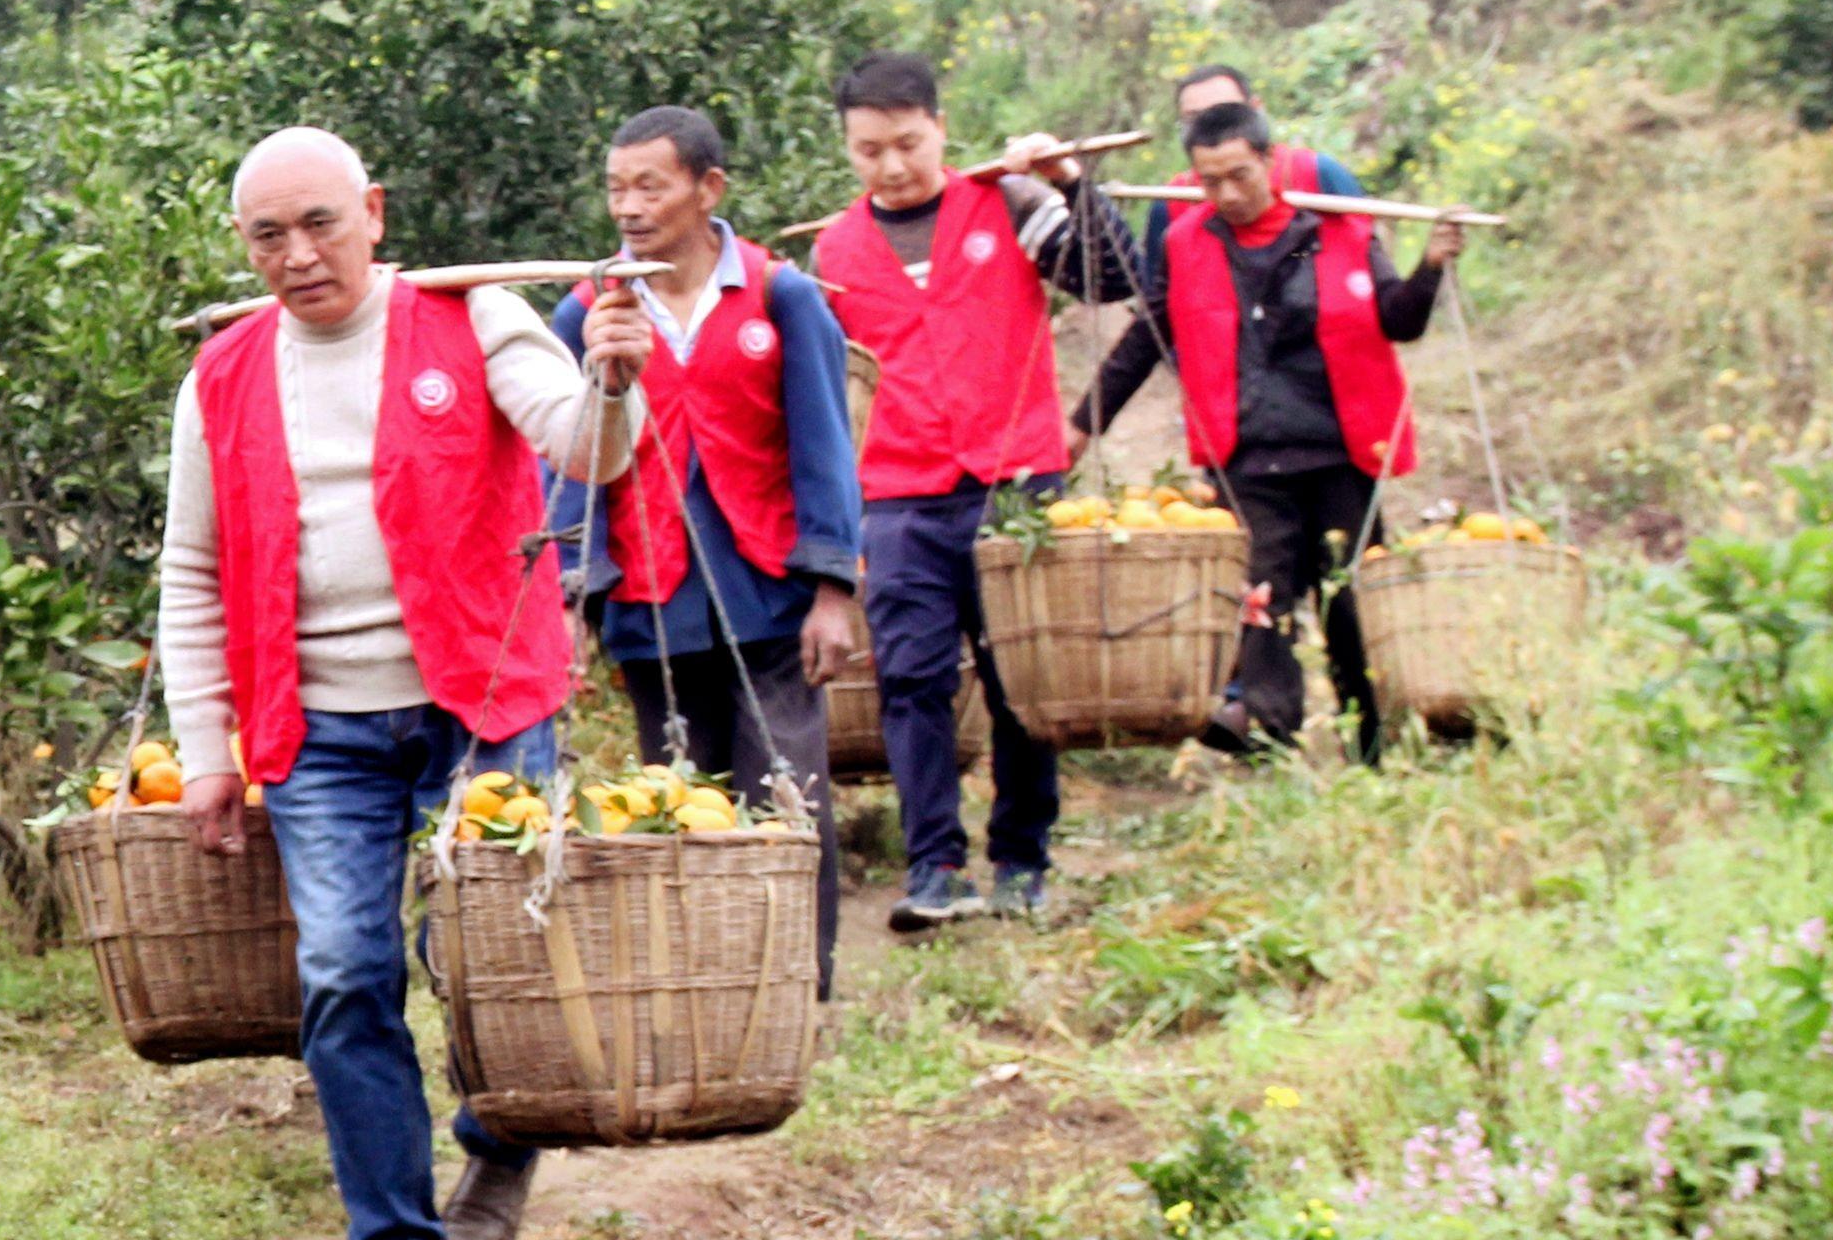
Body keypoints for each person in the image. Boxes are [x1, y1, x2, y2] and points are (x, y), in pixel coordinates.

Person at [156, 126, 649, 1240]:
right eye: (268, 234)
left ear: (373, 212)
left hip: (483, 692)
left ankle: (496, 1152)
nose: (299, 253)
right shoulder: (221, 375)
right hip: (316, 723)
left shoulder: (473, 319)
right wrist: (206, 747)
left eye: (320, 222)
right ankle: (392, 1239)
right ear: (243, 245)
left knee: (486, 956)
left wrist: (616, 375)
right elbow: (193, 566)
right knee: (342, 971)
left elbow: (583, 447)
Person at [813, 50, 1140, 931]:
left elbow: (1114, 278)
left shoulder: (1010, 202)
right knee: (912, 679)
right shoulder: (834, 253)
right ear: (847, 148)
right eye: (869, 149)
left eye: (908, 144)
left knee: (1017, 677)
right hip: (899, 494)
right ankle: (934, 865)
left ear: (940, 129)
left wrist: (1072, 185)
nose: (891, 165)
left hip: (1014, 480)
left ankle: (1022, 861)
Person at [550, 105, 866, 981]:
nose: (629, 206)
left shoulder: (778, 295)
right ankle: (713, 986)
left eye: (650, 185)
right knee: (682, 793)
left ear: (707, 187)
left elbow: (824, 446)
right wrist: (573, 590)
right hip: (654, 598)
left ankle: (800, 979)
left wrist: (834, 587)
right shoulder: (589, 311)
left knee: (785, 791)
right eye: (616, 188)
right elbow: (566, 459)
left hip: (769, 588)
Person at [1078, 98, 1459, 761]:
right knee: (1259, 603)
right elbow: (1149, 335)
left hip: (1341, 451)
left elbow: (1399, 321)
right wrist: (1084, 422)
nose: (1226, 193)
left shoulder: (1340, 231)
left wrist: (1430, 267)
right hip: (1248, 457)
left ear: (1268, 161)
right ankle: (1269, 741)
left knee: (1351, 606)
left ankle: (1374, 747)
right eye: (1209, 181)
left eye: (1239, 176)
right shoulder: (1186, 241)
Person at [1138, 62, 1360, 275]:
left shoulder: (1317, 172)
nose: (1212, 125)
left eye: (1226, 112)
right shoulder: (1172, 201)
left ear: (1256, 109)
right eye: (1194, 119)